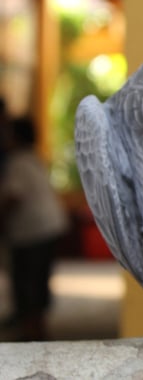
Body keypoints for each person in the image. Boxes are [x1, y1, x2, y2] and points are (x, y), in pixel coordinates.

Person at [0, 116, 68, 341]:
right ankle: (36, 331)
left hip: (33, 232)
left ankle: (32, 335)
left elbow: (13, 198)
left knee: (27, 287)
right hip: (48, 227)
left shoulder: (18, 162)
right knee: (36, 284)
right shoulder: (33, 158)